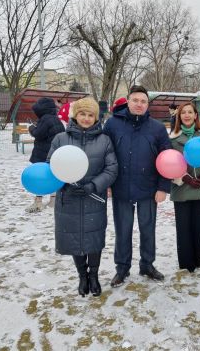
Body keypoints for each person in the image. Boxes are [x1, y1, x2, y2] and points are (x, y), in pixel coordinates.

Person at [47, 97, 118, 297]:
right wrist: (65, 182)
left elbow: (112, 169)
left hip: (93, 197)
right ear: (75, 115)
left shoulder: (104, 140)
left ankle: (93, 275)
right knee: (74, 238)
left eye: (90, 115)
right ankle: (82, 276)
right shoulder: (60, 139)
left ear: (96, 117)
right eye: (82, 114)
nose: (86, 118)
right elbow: (51, 165)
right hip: (68, 197)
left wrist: (93, 186)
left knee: (94, 237)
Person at [103, 85, 172, 286]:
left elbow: (166, 159)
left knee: (147, 229)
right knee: (123, 230)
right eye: (135, 100)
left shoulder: (157, 128)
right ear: (128, 101)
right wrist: (106, 183)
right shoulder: (112, 125)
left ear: (147, 104)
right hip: (121, 188)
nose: (139, 104)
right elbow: (104, 155)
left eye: (143, 101)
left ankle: (147, 265)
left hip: (148, 189)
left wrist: (163, 187)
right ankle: (122, 268)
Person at [169, 102, 200, 272]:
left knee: (199, 227)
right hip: (182, 189)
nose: (187, 115)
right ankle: (186, 262)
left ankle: (198, 258)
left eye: (190, 112)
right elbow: (169, 162)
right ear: (178, 116)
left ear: (196, 115)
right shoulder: (172, 138)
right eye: (183, 113)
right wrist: (185, 178)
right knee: (183, 228)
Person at [26, 97, 65, 212]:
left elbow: (38, 134)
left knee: (39, 176)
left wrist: (31, 127)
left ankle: (38, 201)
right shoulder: (56, 119)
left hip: (43, 153)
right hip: (54, 153)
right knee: (52, 176)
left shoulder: (45, 119)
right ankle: (53, 199)